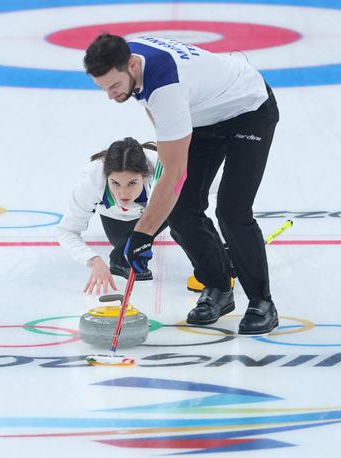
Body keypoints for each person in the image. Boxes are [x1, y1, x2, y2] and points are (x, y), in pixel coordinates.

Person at [83, 34, 280, 335]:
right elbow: (165, 139)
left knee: (232, 210)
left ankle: (262, 302)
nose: (110, 95)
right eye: (103, 88)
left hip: (247, 110)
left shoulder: (166, 88)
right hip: (201, 116)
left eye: (114, 86)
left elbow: (173, 174)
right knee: (182, 209)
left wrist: (142, 234)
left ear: (132, 65)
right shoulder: (126, 59)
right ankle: (218, 286)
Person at [57, 137, 167, 295]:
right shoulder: (91, 181)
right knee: (124, 248)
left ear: (145, 175)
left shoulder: (163, 169)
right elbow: (66, 231)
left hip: (155, 211)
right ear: (106, 177)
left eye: (132, 183)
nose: (123, 193)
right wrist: (94, 261)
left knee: (181, 207)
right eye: (115, 183)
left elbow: (209, 189)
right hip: (117, 221)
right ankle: (120, 258)